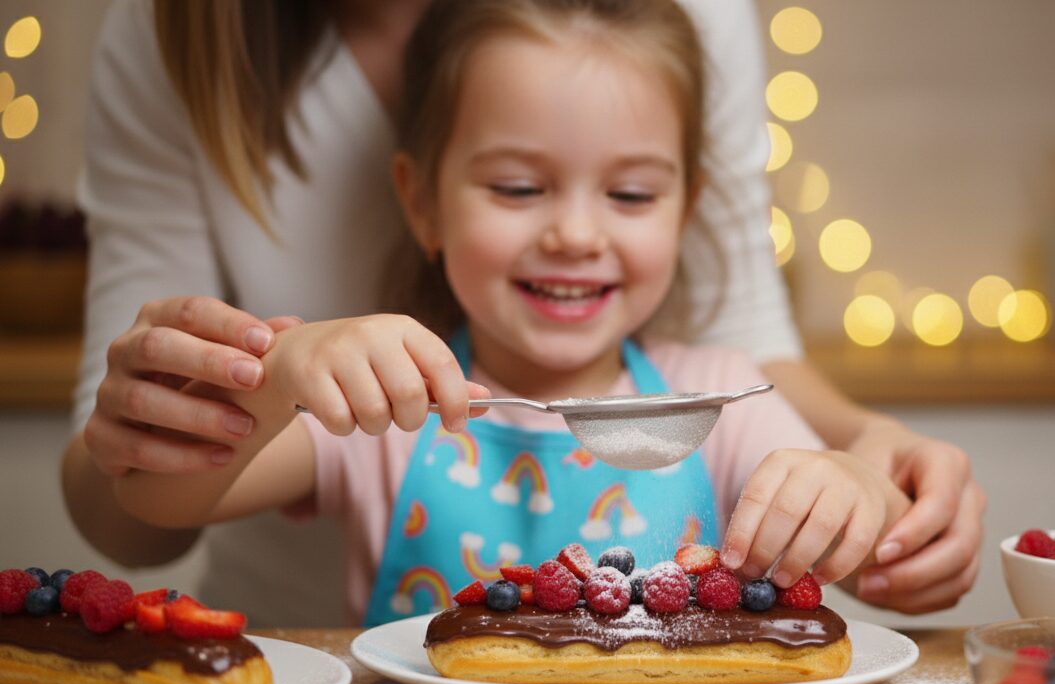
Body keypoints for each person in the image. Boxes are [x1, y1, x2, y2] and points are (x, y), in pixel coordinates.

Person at [65, 0, 984, 624]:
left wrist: (863, 484)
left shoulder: (718, 399)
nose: (576, 234)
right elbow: (152, 496)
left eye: (629, 196)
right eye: (516, 187)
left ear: (689, 208)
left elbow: (861, 554)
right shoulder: (393, 407)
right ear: (420, 202)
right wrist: (285, 367)